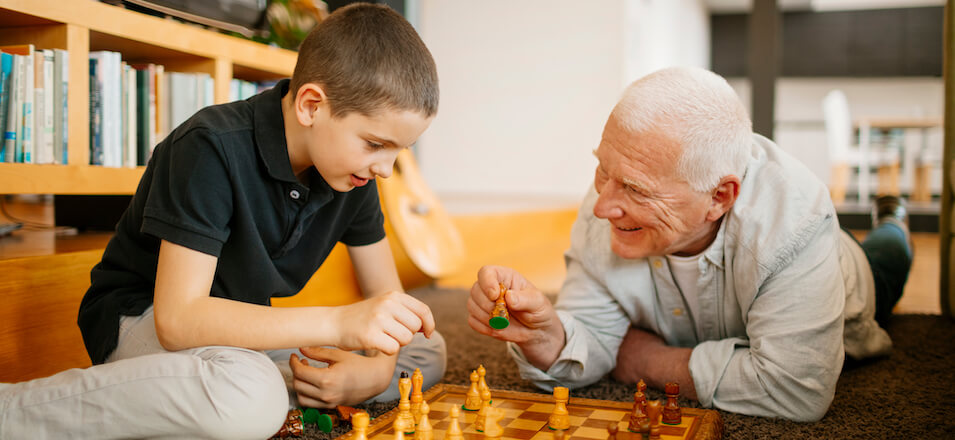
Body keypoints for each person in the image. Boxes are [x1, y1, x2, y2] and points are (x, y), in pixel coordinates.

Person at [0, 4, 446, 439]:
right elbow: (178, 321)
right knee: (252, 394)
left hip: (237, 333)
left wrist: (374, 371)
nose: (385, 169)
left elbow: (387, 298)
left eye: (397, 152)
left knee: (426, 350)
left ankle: (238, 393)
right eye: (374, 144)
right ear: (311, 105)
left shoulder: (355, 177)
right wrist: (338, 325)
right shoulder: (211, 145)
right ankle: (13, 411)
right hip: (145, 317)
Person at [467, 66, 912, 422]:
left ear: (720, 197)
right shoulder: (606, 199)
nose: (602, 207)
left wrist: (644, 359)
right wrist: (547, 335)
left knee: (890, 252)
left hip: (849, 269)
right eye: (603, 170)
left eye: (636, 190)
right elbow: (593, 339)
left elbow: (795, 391)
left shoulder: (794, 223)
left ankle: (893, 217)